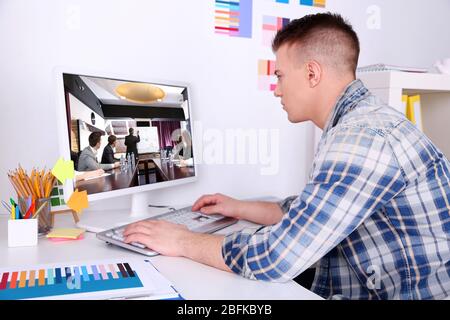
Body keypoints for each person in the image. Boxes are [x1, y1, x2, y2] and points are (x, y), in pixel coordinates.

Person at [122, 13, 450, 300]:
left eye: (279, 76)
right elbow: (309, 211)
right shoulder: (360, 123)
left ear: (311, 73)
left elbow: (276, 257)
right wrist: (236, 207)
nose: (276, 89)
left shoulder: (360, 138)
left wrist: (182, 240)